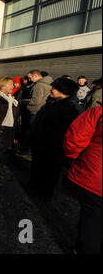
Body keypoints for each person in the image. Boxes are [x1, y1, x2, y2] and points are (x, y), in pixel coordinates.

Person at [26, 77, 83, 200]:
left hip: (54, 148)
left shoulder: (72, 108)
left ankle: (44, 194)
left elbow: (72, 131)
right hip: (41, 144)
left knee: (50, 172)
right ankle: (33, 187)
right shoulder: (53, 101)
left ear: (63, 90)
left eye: (54, 88)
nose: (51, 89)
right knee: (37, 167)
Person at [64, 105, 102, 254]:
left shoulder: (97, 112)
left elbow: (75, 139)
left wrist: (74, 157)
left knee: (92, 221)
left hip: (95, 176)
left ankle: (83, 250)